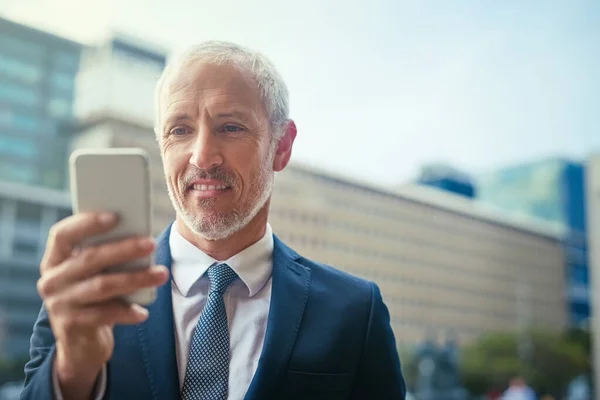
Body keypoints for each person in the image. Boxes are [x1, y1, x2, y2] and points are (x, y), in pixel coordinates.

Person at [20, 40, 406, 400]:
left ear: (282, 147)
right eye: (180, 130)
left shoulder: (355, 311)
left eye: (231, 127)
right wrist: (72, 371)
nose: (202, 156)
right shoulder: (87, 293)